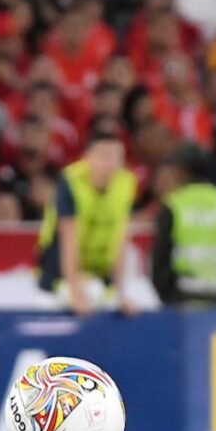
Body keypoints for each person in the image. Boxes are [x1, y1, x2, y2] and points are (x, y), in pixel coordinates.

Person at [36, 132, 138, 316]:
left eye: (117, 157)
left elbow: (121, 239)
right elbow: (68, 240)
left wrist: (122, 294)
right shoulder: (71, 182)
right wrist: (75, 292)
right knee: (86, 296)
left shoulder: (126, 183)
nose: (110, 163)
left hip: (99, 270)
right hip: (60, 270)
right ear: (88, 157)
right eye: (104, 156)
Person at [151, 147, 216, 306]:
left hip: (182, 294)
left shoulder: (174, 204)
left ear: (182, 171)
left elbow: (160, 258)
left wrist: (166, 297)